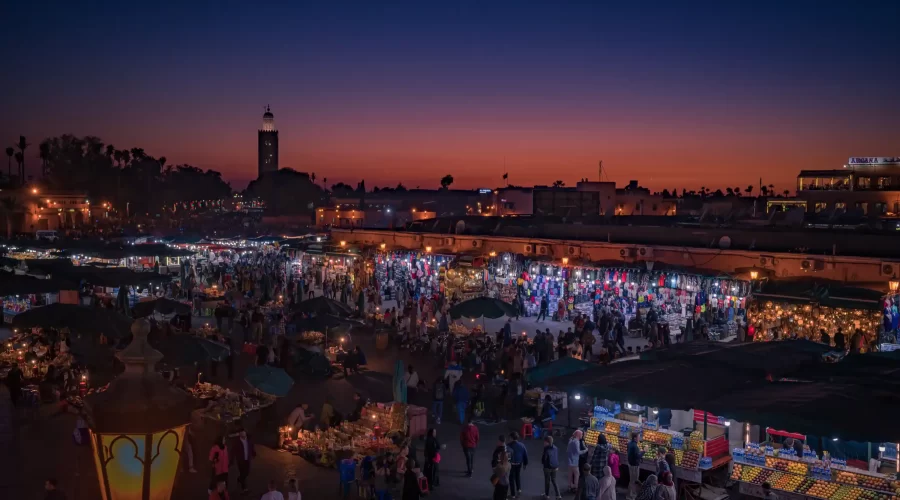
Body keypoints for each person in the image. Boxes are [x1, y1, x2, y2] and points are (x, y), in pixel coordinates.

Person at [231, 428, 256, 493]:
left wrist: (253, 453)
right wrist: (232, 460)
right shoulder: (237, 442)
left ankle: (240, 479)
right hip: (240, 460)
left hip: (247, 459)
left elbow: (251, 446)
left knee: (247, 472)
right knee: (242, 473)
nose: (243, 434)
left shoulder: (249, 440)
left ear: (245, 433)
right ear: (239, 434)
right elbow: (233, 451)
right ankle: (244, 488)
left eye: (243, 432)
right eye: (241, 433)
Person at [508, 431, 528, 498]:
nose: (509, 439)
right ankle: (519, 489)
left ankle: (513, 494)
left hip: (512, 464)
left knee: (511, 479)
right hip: (519, 464)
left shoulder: (509, 445)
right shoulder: (522, 445)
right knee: (517, 476)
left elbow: (507, 455)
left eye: (509, 438)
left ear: (511, 438)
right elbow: (525, 455)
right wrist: (525, 464)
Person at [542, 435, 563, 500]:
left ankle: (547, 495)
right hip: (555, 467)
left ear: (547, 442)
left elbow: (544, 459)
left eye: (544, 442)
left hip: (547, 468)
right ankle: (558, 495)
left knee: (547, 481)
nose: (543, 443)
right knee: (554, 480)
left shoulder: (546, 449)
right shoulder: (555, 448)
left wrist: (543, 463)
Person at [627, 433, 644, 500]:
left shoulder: (630, 443)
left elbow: (632, 454)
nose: (639, 438)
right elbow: (637, 456)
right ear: (635, 438)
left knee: (632, 480)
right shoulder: (635, 446)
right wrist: (644, 451)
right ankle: (631, 496)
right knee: (634, 481)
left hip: (631, 464)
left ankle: (631, 495)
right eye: (638, 437)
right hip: (634, 465)